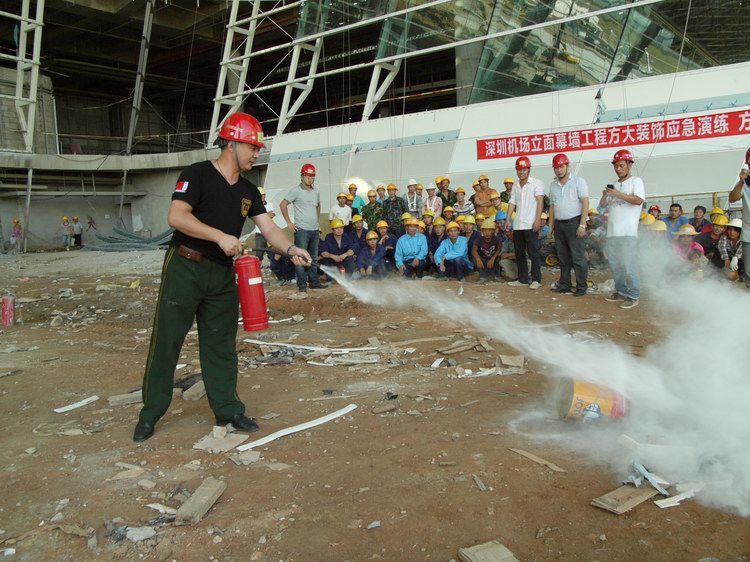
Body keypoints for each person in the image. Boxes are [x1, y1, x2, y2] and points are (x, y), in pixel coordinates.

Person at [133, 112, 313, 443]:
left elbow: (269, 227)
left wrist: (291, 250)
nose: (257, 154)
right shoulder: (197, 174)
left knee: (220, 346)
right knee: (167, 341)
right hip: (185, 267)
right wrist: (219, 236)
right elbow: (177, 216)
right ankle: (150, 414)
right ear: (232, 143)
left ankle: (228, 409)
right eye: (253, 147)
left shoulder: (248, 190)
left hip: (220, 275)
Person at [600, 149, 645, 309]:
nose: (618, 169)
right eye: (616, 166)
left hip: (627, 233)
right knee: (616, 265)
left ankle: (633, 295)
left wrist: (618, 194)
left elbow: (639, 200)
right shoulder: (614, 185)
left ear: (629, 164)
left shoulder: (636, 182)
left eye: (621, 165)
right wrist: (606, 195)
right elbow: (603, 205)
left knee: (629, 265)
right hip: (613, 232)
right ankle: (621, 291)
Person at [280, 163, 328, 293]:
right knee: (300, 258)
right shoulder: (296, 191)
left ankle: (314, 282)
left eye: (312, 176)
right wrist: (289, 222)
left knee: (312, 257)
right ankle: (302, 285)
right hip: (301, 230)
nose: (310, 179)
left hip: (314, 230)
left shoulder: (316, 191)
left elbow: (318, 205)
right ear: (302, 177)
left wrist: (317, 221)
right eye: (307, 176)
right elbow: (283, 204)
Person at [548, 153, 590, 296]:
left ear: (567, 166)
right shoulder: (553, 186)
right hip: (559, 226)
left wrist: (582, 225)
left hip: (574, 223)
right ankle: (565, 284)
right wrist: (550, 226)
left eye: (561, 166)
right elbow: (552, 207)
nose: (559, 170)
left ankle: (581, 286)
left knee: (577, 257)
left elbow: (585, 203)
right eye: (556, 167)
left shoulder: (579, 181)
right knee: (563, 257)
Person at [506, 156, 545, 290]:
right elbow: (512, 203)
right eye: (519, 170)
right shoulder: (515, 186)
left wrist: (538, 220)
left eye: (524, 169)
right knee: (519, 253)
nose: (521, 172)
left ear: (528, 169)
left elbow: (540, 201)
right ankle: (522, 279)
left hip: (531, 224)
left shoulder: (537, 183)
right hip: (518, 225)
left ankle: (536, 279)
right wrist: (507, 219)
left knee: (533, 252)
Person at [728, 148, 750, 286]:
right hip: (749, 234)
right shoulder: (745, 183)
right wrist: (741, 182)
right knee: (749, 274)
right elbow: (732, 198)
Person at [253, 187, 275, 265]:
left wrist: (260, 216)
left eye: (263, 195)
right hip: (259, 234)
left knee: (272, 253)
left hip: (269, 233)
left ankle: (275, 270)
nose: (262, 197)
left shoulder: (270, 204)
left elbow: (271, 215)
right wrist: (266, 215)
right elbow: (254, 220)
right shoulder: (254, 206)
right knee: (259, 254)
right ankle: (257, 271)